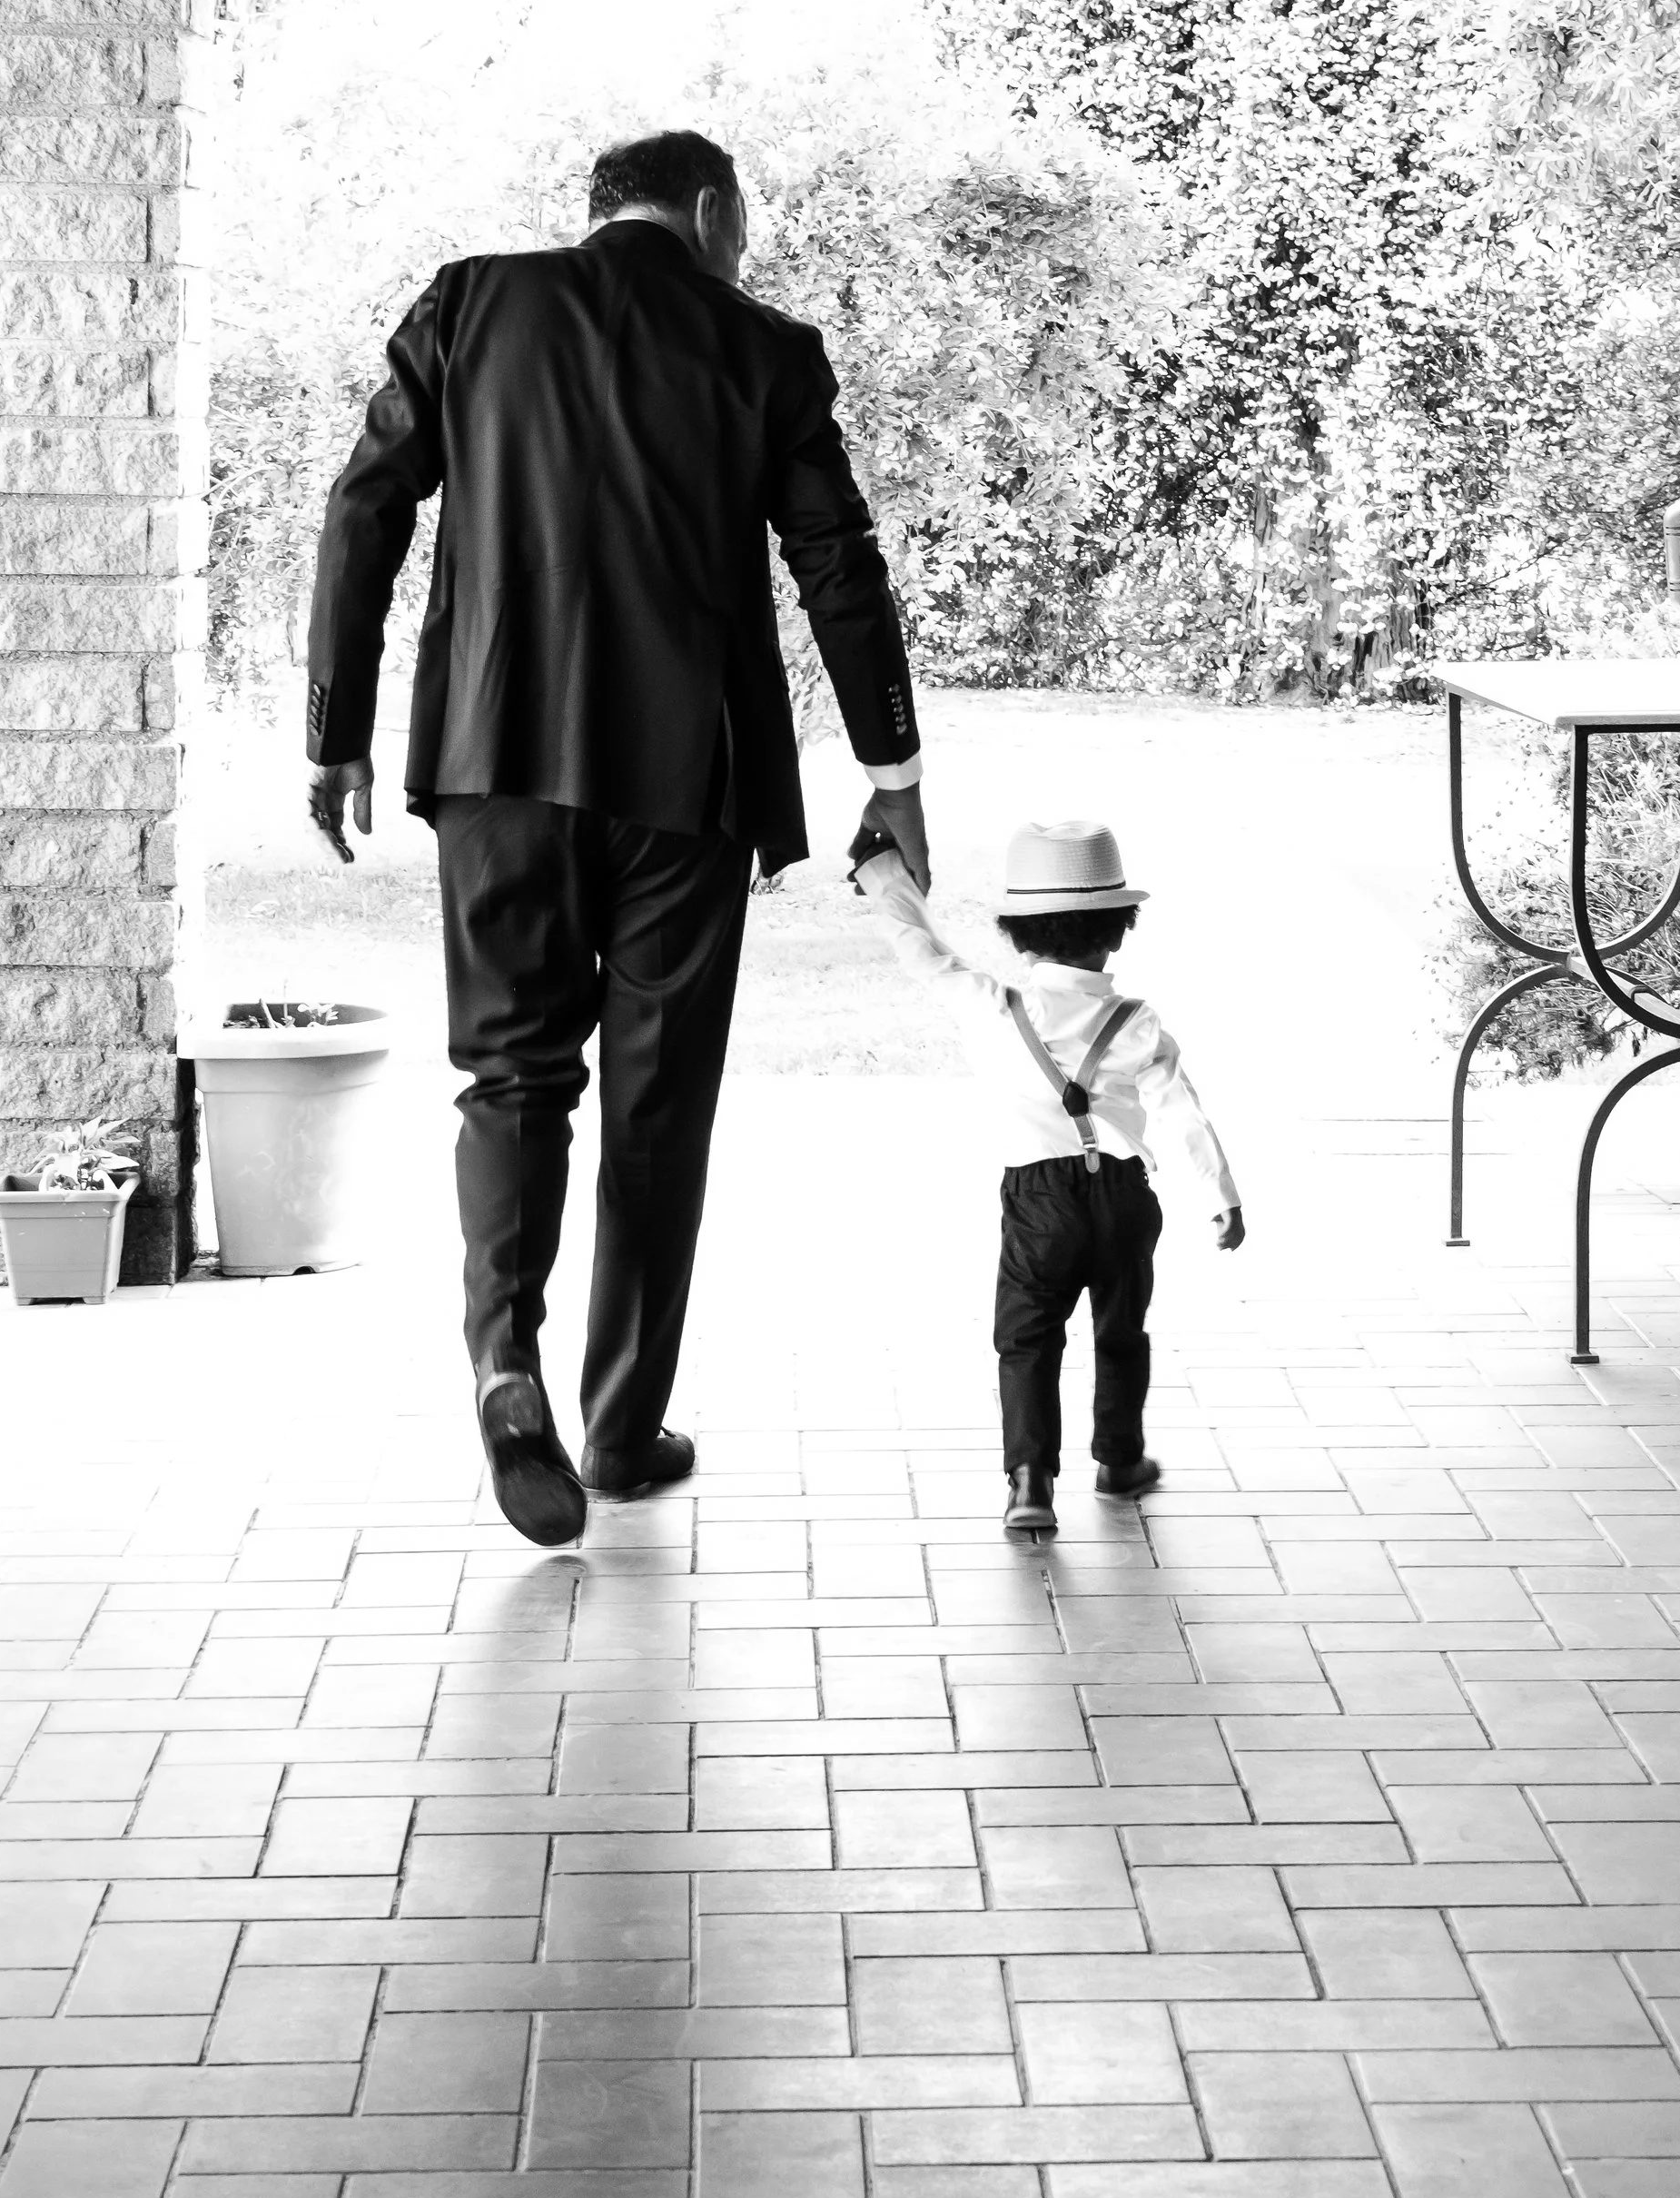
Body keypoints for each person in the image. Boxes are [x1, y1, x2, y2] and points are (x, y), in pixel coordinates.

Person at [303, 130, 925, 1549]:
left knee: (512, 1072)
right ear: (712, 211)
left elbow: (366, 504)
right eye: (746, 222)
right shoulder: (764, 349)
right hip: (683, 783)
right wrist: (891, 769)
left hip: (494, 761)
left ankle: (505, 1361)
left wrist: (334, 723)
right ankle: (624, 1425)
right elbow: (839, 560)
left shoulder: (468, 305)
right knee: (657, 1102)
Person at [852, 816, 1241, 1535]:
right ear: (1121, 927)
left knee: (1027, 1339)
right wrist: (1221, 1197)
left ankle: (1030, 1483)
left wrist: (883, 876)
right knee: (1122, 1331)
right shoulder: (1138, 1020)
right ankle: (1120, 1460)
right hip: (1126, 1199)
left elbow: (922, 953)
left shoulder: (994, 1007)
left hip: (1038, 1202)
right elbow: (1184, 1112)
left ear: (1014, 933)